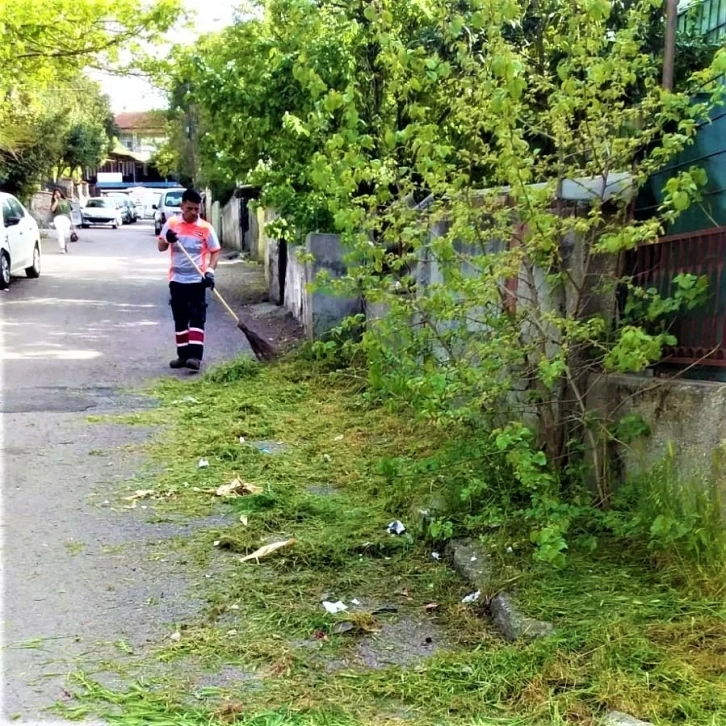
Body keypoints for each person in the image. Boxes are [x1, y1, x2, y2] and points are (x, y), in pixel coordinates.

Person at [157, 188, 221, 372]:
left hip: (197, 280)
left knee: (197, 317)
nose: (193, 212)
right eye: (190, 208)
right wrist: (168, 239)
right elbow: (161, 246)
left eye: (196, 209)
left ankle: (195, 358)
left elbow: (215, 251)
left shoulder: (206, 228)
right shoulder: (172, 223)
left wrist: (210, 271)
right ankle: (183, 356)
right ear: (182, 205)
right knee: (180, 318)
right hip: (177, 280)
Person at [50, 189, 72, 254]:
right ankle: (62, 248)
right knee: (60, 233)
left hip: (66, 218)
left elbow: (70, 212)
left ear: (61, 193)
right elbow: (53, 209)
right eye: (55, 193)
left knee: (66, 234)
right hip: (58, 218)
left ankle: (65, 245)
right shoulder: (54, 202)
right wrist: (56, 200)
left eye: (58, 192)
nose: (57, 194)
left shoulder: (66, 201)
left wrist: (72, 222)